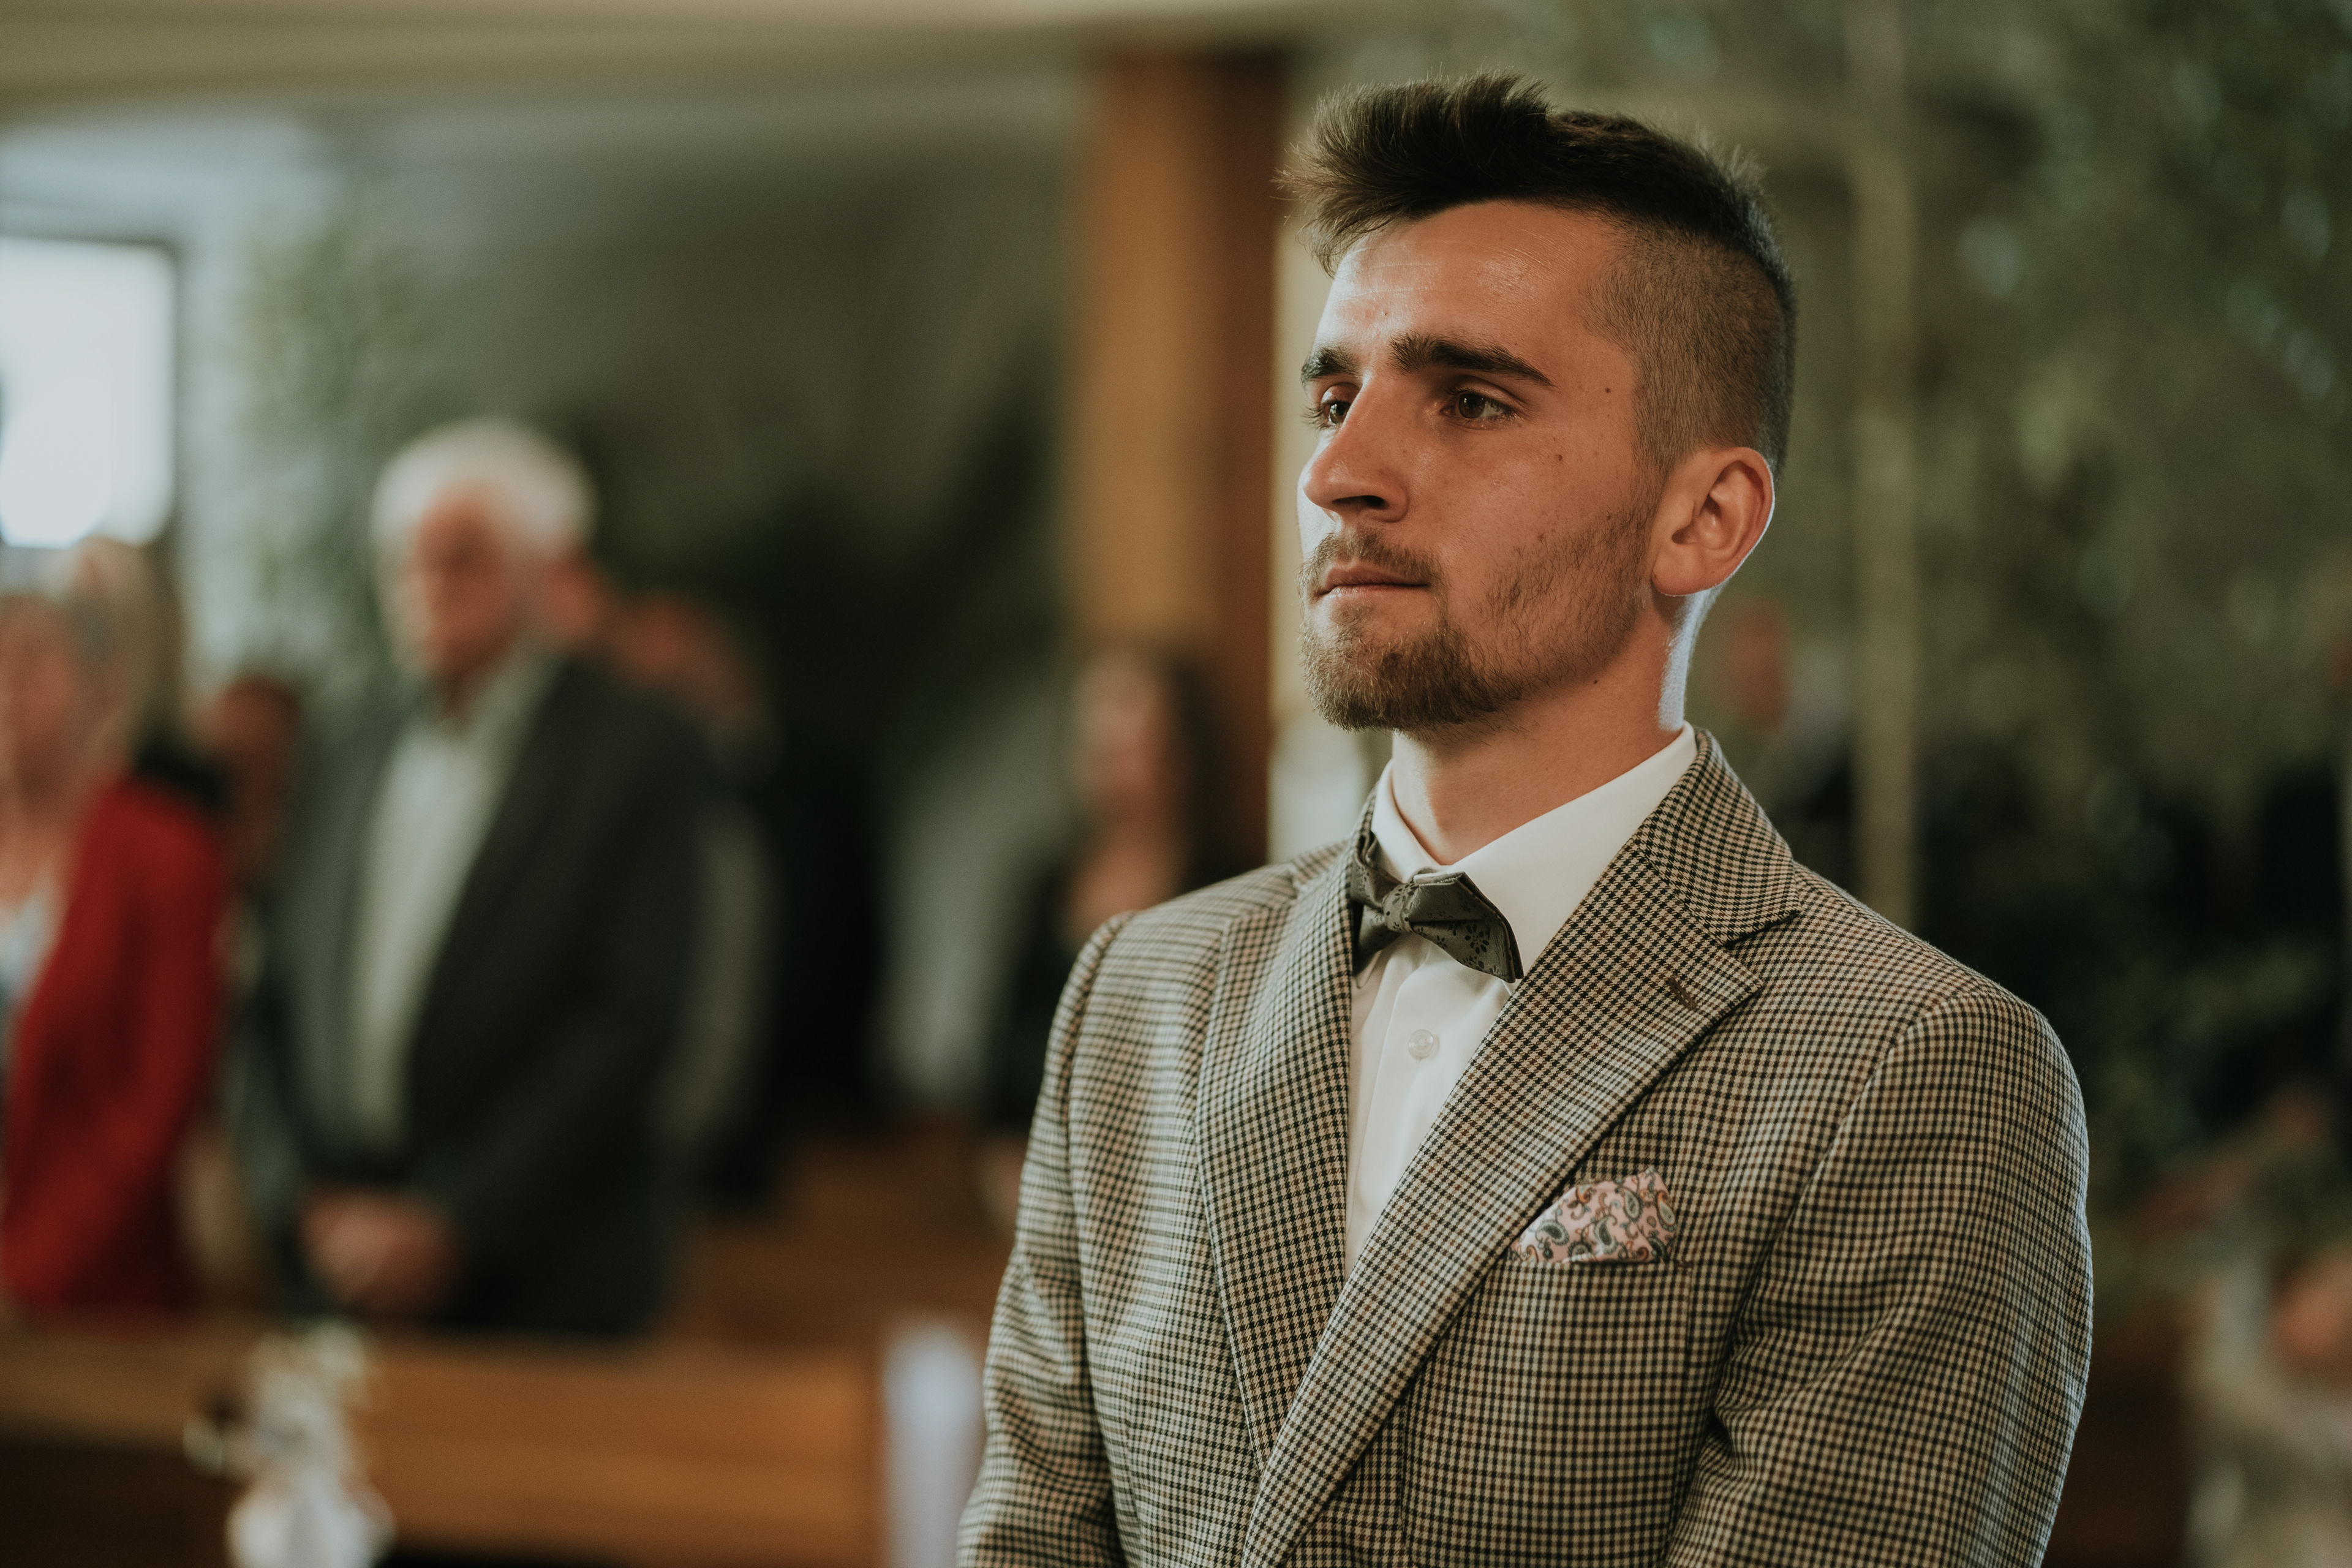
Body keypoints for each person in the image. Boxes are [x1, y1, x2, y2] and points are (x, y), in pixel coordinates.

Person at [962, 77, 2092, 1566]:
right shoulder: (1135, 996)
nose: (1337, 474)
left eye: (1472, 400)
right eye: (1333, 398)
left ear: (1703, 519)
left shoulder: (1912, 1070)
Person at [233, 418, 706, 1336]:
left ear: (542, 572)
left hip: (536, 1276)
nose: (427, 584)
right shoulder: (346, 745)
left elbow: (631, 1019)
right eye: (406, 560)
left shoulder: (634, 754)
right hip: (337, 1258)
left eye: (462, 558)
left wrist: (455, 1220)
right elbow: (273, 990)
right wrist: (298, 1201)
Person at [0, 587, 230, 1317]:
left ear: (101, 687)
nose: (7, 689)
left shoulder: (167, 853)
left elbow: (158, 1101)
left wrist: (24, 1270)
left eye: (31, 662)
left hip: (102, 1294)